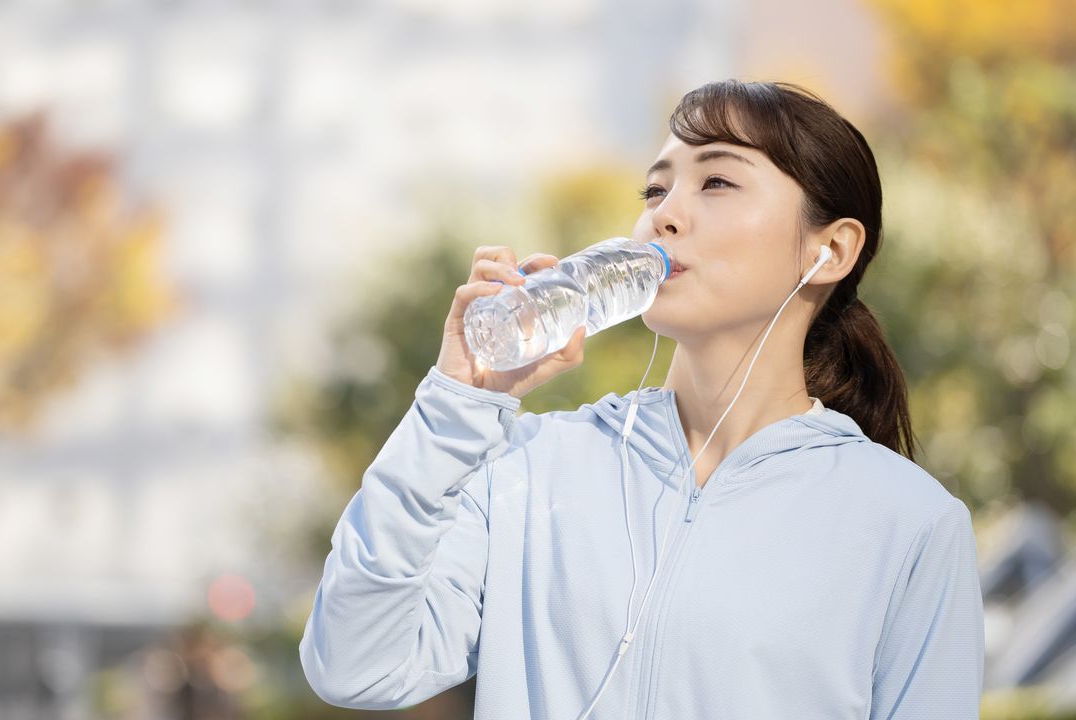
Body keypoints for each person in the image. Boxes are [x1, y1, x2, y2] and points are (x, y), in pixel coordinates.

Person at [299, 79, 984, 719]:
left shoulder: (907, 522)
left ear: (829, 250)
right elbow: (355, 663)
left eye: (716, 180)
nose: (664, 216)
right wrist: (456, 407)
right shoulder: (532, 469)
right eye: (654, 192)